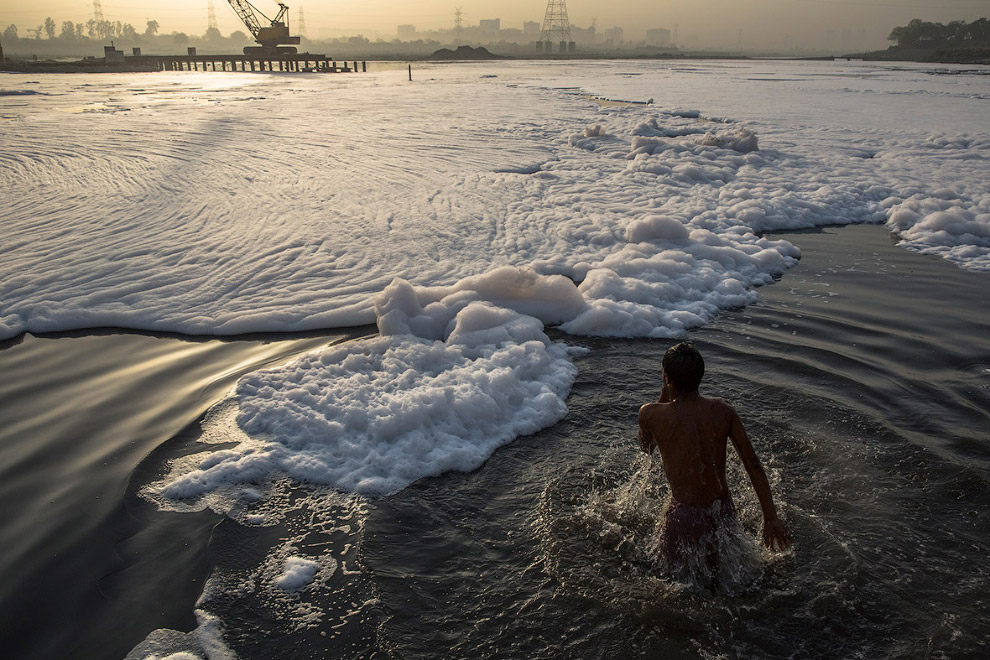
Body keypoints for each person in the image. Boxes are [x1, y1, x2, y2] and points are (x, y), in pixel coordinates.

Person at [638, 342, 791, 570]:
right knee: (722, 574)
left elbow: (646, 447)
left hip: (684, 515)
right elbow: (753, 465)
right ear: (701, 376)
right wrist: (771, 518)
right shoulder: (723, 410)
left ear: (667, 378)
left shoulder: (650, 414)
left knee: (675, 579)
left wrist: (664, 393)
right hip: (721, 510)